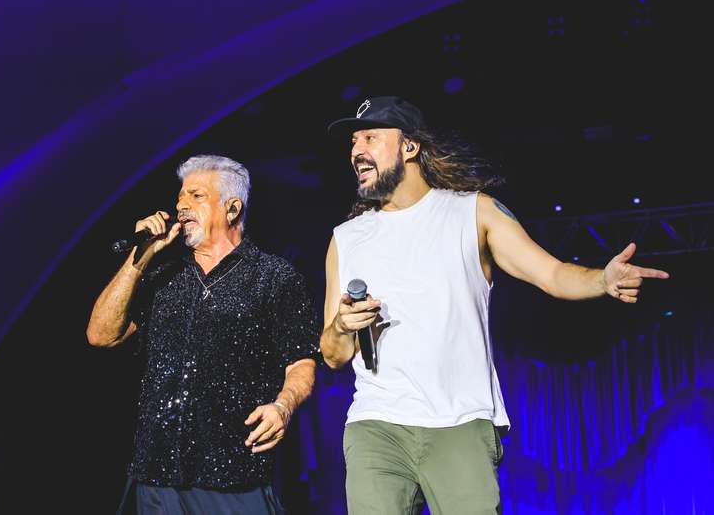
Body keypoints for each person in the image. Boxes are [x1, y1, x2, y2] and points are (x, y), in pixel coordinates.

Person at [319, 96, 670, 515]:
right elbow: (333, 355)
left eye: (371, 138)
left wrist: (602, 279)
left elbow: (552, 274)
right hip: (376, 425)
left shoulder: (473, 212)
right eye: (354, 142)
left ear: (409, 147)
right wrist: (342, 326)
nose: (357, 151)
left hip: (459, 423)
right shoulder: (346, 239)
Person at [87, 155, 320, 514]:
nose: (181, 206)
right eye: (180, 197)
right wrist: (139, 259)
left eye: (196, 196)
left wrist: (283, 406)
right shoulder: (162, 276)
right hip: (156, 475)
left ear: (232, 208)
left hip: (233, 478)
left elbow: (301, 362)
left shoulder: (273, 277)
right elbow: (101, 334)